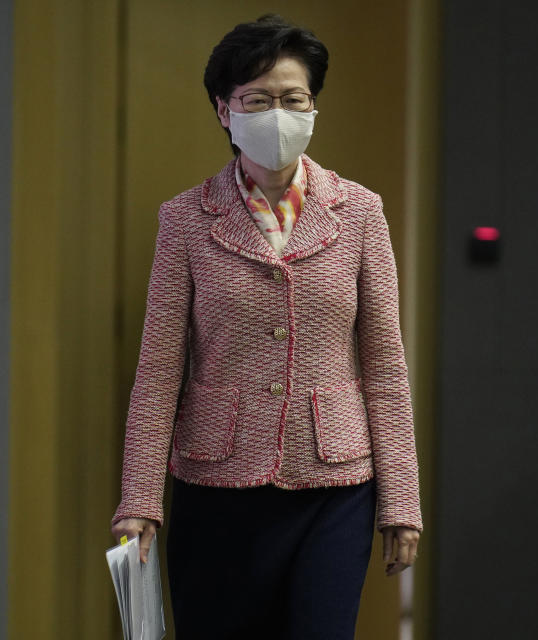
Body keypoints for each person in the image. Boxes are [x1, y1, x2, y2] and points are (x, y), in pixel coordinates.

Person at [110, 15, 422, 640]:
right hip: (216, 482)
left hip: (334, 485)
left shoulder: (360, 212)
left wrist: (402, 500)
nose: (277, 114)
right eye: (257, 100)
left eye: (292, 99)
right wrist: (140, 499)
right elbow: (159, 369)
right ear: (225, 111)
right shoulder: (187, 220)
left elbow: (385, 366)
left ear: (313, 108)